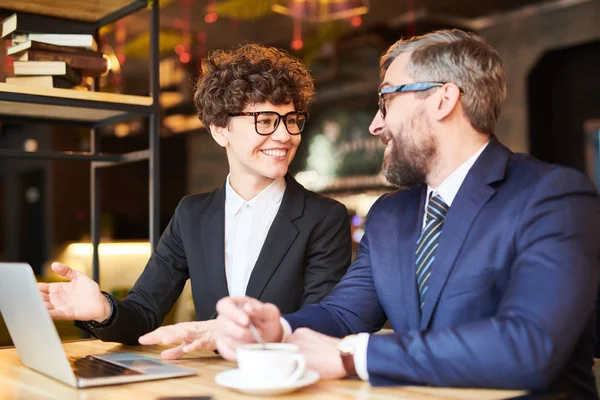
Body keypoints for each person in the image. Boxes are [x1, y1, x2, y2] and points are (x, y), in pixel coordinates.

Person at [214, 30, 600, 399]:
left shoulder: (553, 196)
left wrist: (353, 357)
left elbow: (528, 346)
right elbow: (344, 313)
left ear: (443, 100)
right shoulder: (389, 214)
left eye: (387, 100)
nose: (375, 124)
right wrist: (276, 328)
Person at [38, 43, 352, 360]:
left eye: (292, 119)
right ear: (220, 131)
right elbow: (143, 314)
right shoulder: (192, 214)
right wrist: (103, 310)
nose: (285, 135)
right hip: (211, 384)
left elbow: (323, 325)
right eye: (267, 120)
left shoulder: (324, 218)